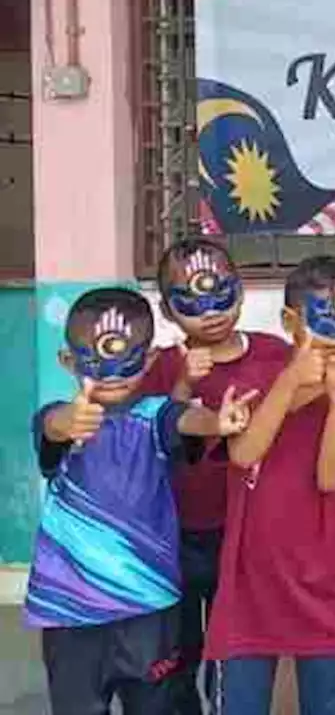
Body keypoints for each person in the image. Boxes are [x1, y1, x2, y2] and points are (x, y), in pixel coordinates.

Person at [26, 287, 254, 715]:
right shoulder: (58, 415)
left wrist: (217, 422)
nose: (110, 374)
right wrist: (68, 423)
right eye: (93, 360)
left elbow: (187, 419)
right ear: (67, 362)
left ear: (149, 360)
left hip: (149, 608)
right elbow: (53, 427)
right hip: (70, 612)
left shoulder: (155, 416)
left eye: (126, 358)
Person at [203, 256, 335, 715]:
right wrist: (292, 381)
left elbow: (330, 478)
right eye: (327, 320)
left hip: (327, 591)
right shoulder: (254, 378)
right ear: (290, 321)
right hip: (248, 593)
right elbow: (243, 454)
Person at [143, 239, 292, 714]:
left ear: (241, 290)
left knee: (237, 658)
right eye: (191, 301)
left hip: (246, 538)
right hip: (173, 539)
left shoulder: (275, 355)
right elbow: (150, 438)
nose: (211, 312)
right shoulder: (159, 367)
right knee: (175, 660)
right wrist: (184, 382)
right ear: (168, 309)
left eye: (221, 294)